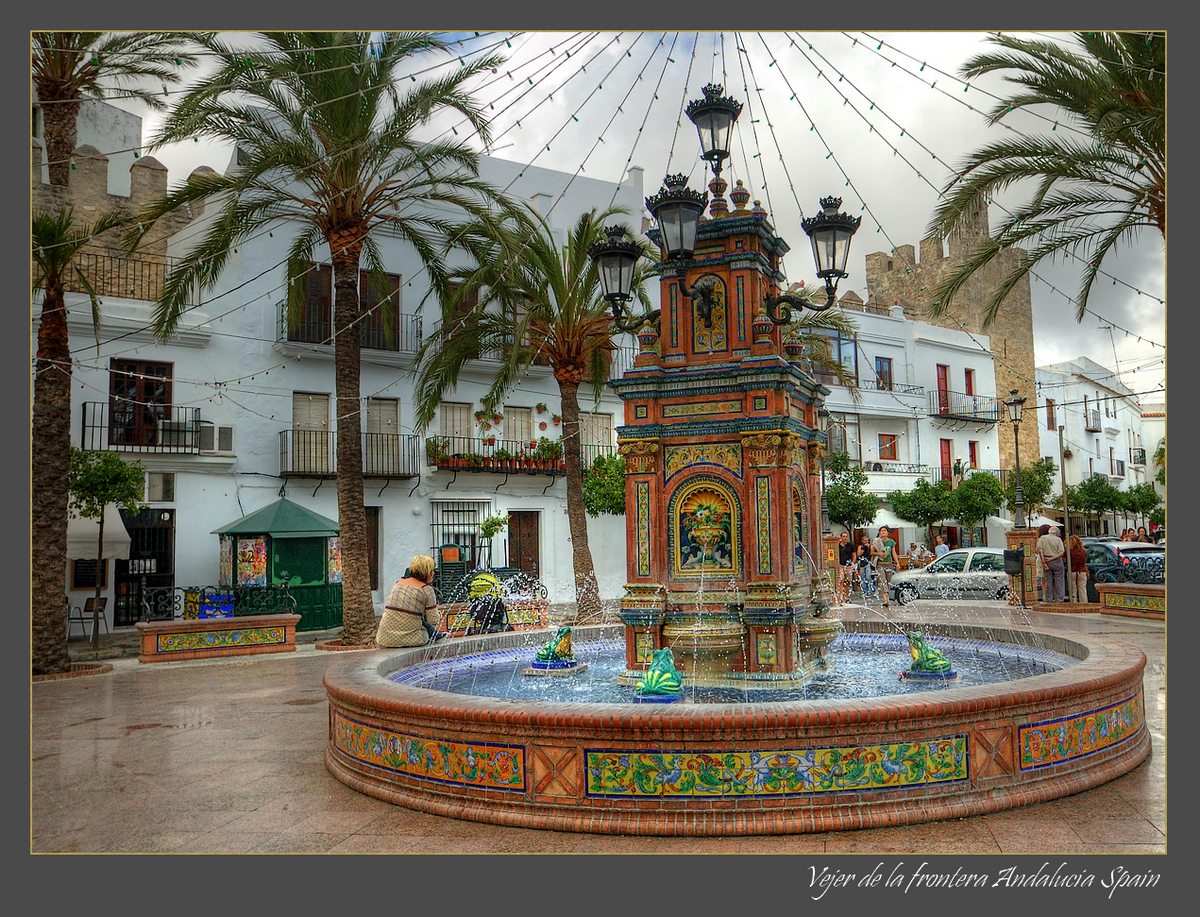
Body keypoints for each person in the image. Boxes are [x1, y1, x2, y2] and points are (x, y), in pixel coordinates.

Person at [375, 554, 445, 647]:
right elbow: (433, 620)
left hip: (384, 638)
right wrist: (439, 614)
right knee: (424, 626)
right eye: (432, 571)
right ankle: (436, 635)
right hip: (412, 639)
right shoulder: (426, 589)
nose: (433, 574)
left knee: (414, 617)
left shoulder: (398, 584)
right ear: (426, 572)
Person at [1038, 523, 1067, 603]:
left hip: (1046, 560)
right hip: (1057, 561)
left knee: (1048, 581)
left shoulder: (1043, 538)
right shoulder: (1058, 540)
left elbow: (1040, 550)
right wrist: (1051, 558)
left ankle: (1048, 600)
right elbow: (1061, 552)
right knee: (1059, 581)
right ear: (1056, 533)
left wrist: (1044, 562)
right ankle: (1059, 600)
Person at [871, 525, 900, 608]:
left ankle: (887, 598)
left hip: (889, 563)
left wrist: (897, 563)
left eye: (884, 530)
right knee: (882, 580)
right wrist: (879, 554)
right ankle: (885, 600)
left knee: (888, 581)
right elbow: (872, 552)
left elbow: (893, 552)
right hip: (880, 564)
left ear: (887, 532)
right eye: (881, 530)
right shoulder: (876, 541)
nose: (883, 532)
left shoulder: (891, 542)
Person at [1067, 534, 1089, 604]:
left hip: (1072, 571)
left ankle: (1074, 604)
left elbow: (1065, 560)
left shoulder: (1069, 552)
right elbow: (1084, 562)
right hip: (1082, 571)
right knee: (1082, 590)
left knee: (1073, 590)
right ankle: (1084, 604)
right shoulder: (1083, 551)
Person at [836, 532, 855, 605]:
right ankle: (840, 597)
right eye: (843, 536)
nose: (845, 538)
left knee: (848, 581)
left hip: (848, 565)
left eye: (846, 536)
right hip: (840, 565)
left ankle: (847, 597)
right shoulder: (838, 545)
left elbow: (854, 554)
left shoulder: (850, 545)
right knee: (840, 581)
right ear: (841, 537)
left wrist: (853, 563)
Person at [857, 534, 876, 598]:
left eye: (866, 540)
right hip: (862, 563)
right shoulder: (860, 546)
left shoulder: (871, 546)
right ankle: (865, 592)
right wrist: (863, 549)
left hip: (868, 563)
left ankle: (874, 590)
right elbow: (858, 554)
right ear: (862, 541)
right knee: (862, 578)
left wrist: (872, 562)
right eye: (864, 540)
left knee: (868, 577)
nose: (865, 542)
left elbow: (872, 554)